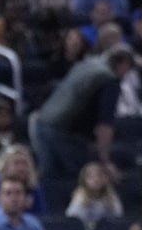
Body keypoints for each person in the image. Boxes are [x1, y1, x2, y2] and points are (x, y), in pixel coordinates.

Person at [30, 45, 134, 182]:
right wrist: (105, 161)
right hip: (65, 134)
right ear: (124, 63)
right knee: (80, 180)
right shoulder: (110, 79)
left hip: (42, 124)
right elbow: (105, 125)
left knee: (49, 181)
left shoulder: (85, 65)